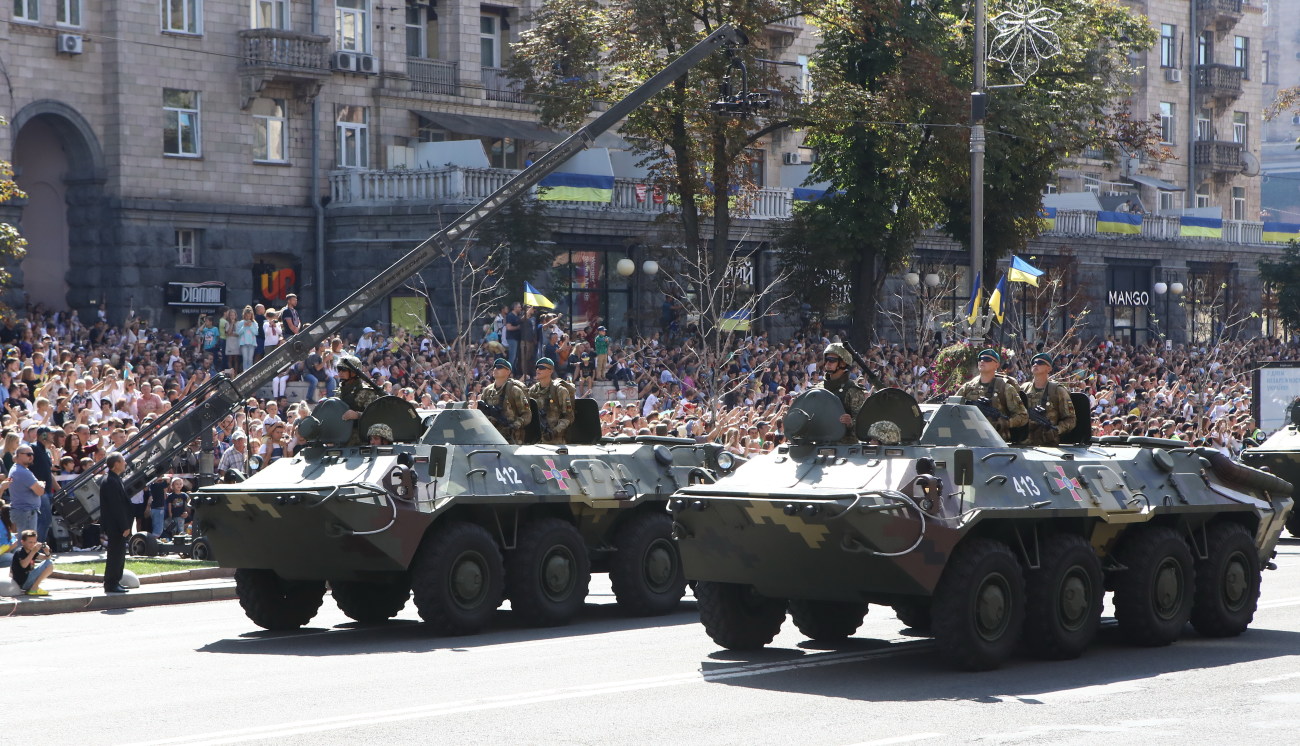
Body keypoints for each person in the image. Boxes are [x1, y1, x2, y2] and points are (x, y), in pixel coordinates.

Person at [957, 348, 1028, 441]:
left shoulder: (1005, 388)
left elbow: (1023, 416)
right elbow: (954, 406)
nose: (982, 361)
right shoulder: (968, 387)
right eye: (980, 359)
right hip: (970, 439)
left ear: (996, 365)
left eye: (987, 359)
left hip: (996, 441)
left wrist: (1006, 423)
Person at [813, 342, 867, 444]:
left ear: (843, 363)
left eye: (832, 360)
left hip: (845, 447)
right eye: (826, 360)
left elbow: (863, 424)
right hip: (820, 445)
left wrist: (850, 422)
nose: (827, 363)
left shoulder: (853, 390)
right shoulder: (818, 388)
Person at [1020, 353, 1077, 446]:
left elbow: (1071, 419)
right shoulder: (1023, 389)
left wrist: (1057, 429)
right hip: (1024, 443)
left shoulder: (1057, 390)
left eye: (1040, 362)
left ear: (1049, 368)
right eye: (1034, 363)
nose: (1035, 364)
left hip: (1047, 443)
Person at [100, 453, 132, 594]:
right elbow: (116, 506)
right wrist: (124, 525)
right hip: (115, 525)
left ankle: (116, 581)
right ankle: (111, 583)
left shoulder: (115, 479)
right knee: (115, 554)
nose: (125, 463)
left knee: (119, 553)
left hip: (117, 524)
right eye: (123, 461)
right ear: (116, 463)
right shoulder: (110, 481)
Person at [479, 358, 531, 444]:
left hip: (511, 439)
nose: (495, 369)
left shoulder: (514, 391)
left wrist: (515, 425)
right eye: (494, 367)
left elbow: (527, 414)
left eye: (499, 367)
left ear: (508, 372)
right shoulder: (487, 391)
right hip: (491, 437)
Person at [528, 357, 574, 444]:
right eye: (537, 367)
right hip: (536, 440)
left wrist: (555, 431)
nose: (538, 370)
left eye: (541, 368)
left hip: (555, 441)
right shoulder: (533, 390)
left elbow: (569, 417)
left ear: (550, 371)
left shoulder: (559, 390)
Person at [7, 445, 43, 535]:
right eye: (28, 454)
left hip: (22, 512)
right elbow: (40, 491)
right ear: (18, 455)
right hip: (25, 513)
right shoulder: (22, 472)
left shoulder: (18, 469)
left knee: (23, 544)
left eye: (32, 454)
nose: (31, 457)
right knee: (26, 546)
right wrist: (41, 484)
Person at [336, 353, 380, 422]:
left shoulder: (367, 392)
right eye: (339, 369)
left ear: (354, 372)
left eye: (343, 369)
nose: (340, 372)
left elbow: (376, 416)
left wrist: (357, 415)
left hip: (358, 430)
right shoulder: (340, 390)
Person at [10, 529, 54, 596]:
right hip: (22, 581)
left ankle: (33, 587)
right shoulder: (20, 552)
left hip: (27, 580)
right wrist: (33, 552)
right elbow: (23, 565)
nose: (33, 544)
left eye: (34, 542)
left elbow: (47, 558)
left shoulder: (31, 551)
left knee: (49, 563)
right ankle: (34, 588)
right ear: (23, 542)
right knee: (49, 564)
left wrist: (47, 551)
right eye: (30, 542)